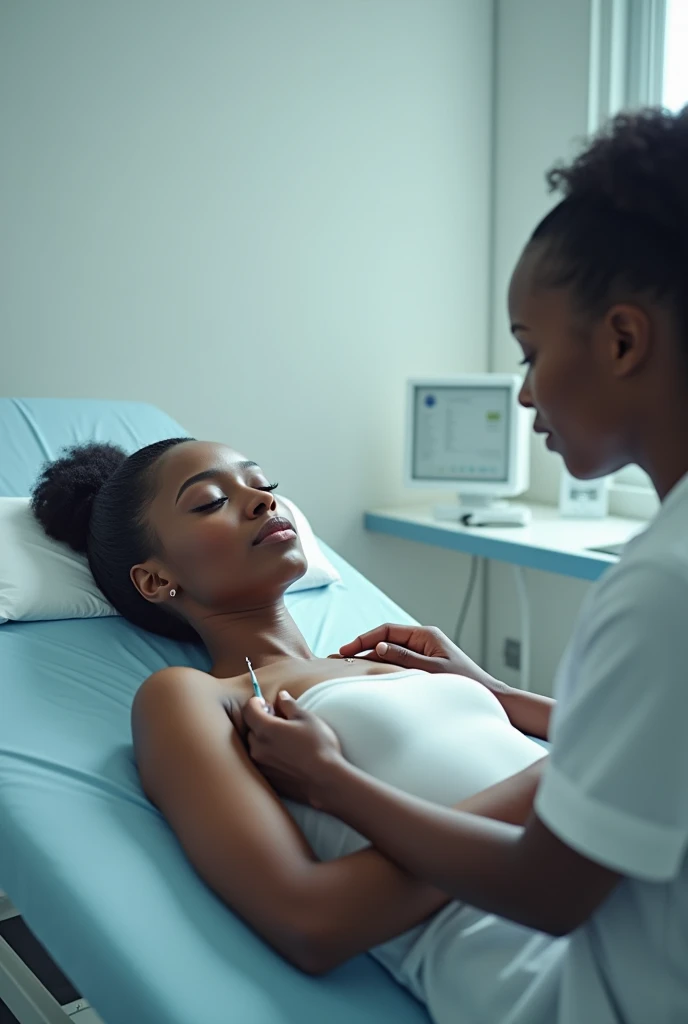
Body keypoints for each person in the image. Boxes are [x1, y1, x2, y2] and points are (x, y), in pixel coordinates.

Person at [244, 106, 688, 1024]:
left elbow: (549, 888)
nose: (524, 391)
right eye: (206, 499)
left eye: (530, 352)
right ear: (152, 578)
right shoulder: (180, 697)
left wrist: (330, 782)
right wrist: (495, 692)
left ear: (621, 339)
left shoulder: (660, 585)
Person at [31, 434, 554, 1017]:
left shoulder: (384, 663)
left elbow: (626, 747)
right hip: (546, 964)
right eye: (209, 501)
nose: (261, 502)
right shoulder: (199, 699)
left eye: (263, 486)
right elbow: (312, 921)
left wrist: (497, 692)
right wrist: (570, 787)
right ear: (154, 580)